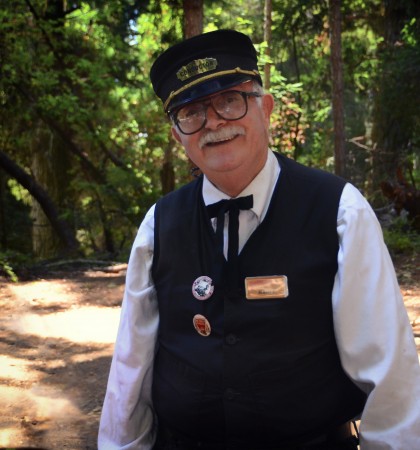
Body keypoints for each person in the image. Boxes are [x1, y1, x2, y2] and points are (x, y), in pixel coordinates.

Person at [98, 30, 420, 450]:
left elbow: (389, 372)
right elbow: (131, 366)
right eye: (190, 112)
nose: (213, 122)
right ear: (178, 135)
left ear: (264, 107)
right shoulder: (159, 224)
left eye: (229, 100)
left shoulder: (340, 210)